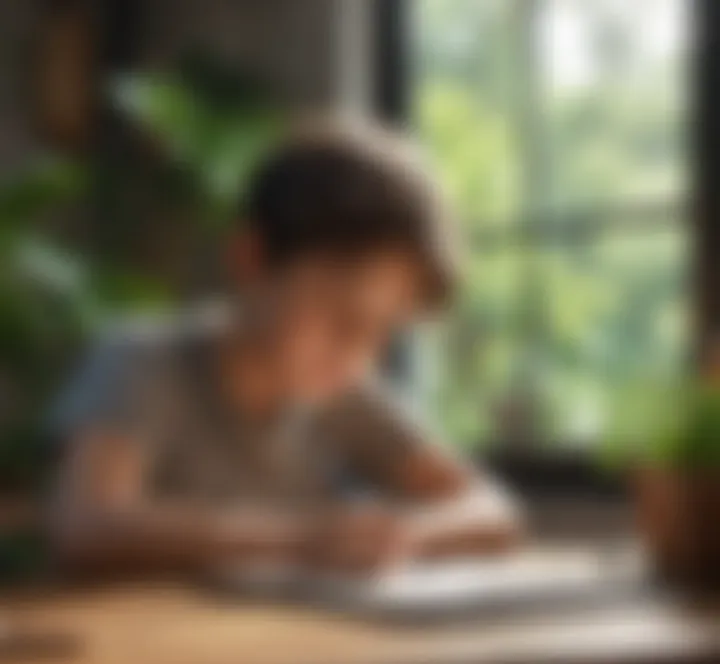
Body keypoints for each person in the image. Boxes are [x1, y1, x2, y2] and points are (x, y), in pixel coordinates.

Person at [48, 119, 524, 578]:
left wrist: (400, 536)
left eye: (383, 331)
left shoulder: (341, 392)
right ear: (251, 260)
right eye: (342, 317)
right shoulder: (141, 362)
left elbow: (493, 511)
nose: (360, 352)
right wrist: (302, 539)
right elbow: (88, 526)